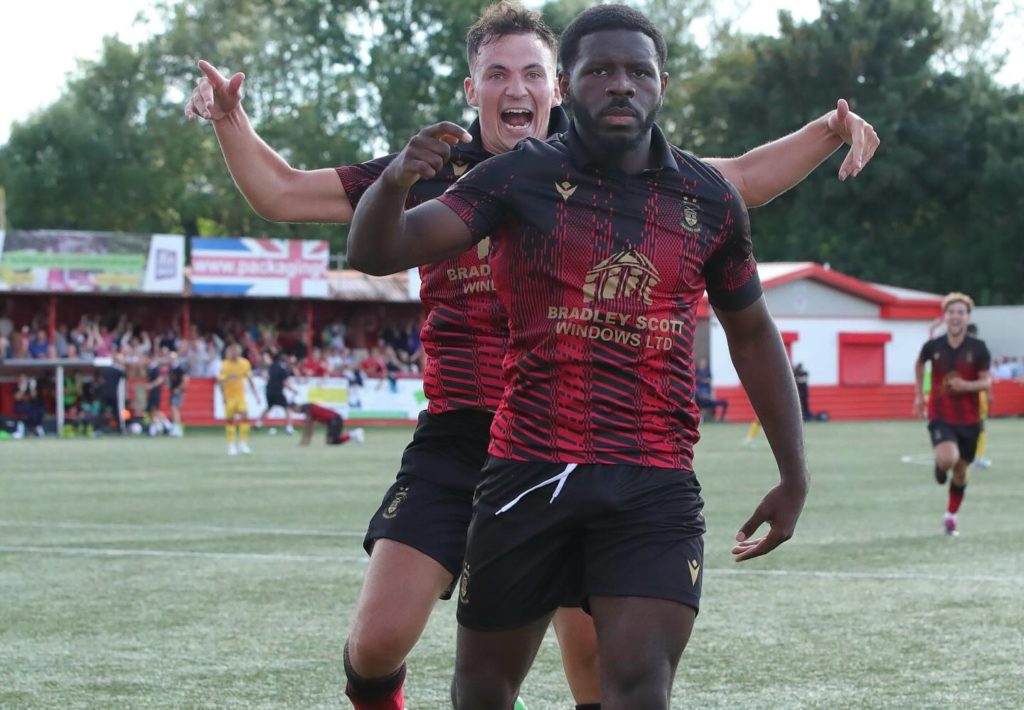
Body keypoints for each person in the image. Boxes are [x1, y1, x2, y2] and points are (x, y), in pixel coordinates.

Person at [185, 3, 872, 705]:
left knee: (601, 665)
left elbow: (740, 183)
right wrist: (232, 119)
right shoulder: (443, 173)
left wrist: (830, 126)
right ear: (472, 88)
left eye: (531, 73)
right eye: (497, 73)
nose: (516, 88)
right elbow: (285, 196)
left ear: (555, 88)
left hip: (595, 443)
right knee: (378, 642)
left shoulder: (643, 178)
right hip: (465, 437)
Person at [346, 5, 810, 708]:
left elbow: (750, 333)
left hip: (652, 481)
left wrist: (794, 472)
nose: (620, 84)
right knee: (482, 689)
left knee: (637, 687)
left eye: (637, 70)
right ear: (569, 83)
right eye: (599, 70)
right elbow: (376, 251)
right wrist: (393, 184)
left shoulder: (709, 199)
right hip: (528, 468)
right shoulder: (517, 177)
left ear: (663, 81)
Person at [913, 292, 991, 536]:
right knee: (948, 459)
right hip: (941, 413)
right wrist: (918, 395)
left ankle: (951, 516)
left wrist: (965, 386)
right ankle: (940, 464)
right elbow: (919, 363)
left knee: (960, 471)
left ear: (968, 318)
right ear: (945, 317)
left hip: (969, 419)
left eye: (961, 312)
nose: (956, 316)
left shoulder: (979, 349)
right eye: (952, 312)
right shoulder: (933, 346)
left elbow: (986, 382)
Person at [218, 343, 259, 456]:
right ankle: (231, 445)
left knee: (245, 417)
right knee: (230, 421)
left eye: (236, 351)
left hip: (240, 396)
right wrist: (223, 396)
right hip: (230, 396)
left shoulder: (244, 363)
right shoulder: (225, 364)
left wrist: (256, 395)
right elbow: (221, 381)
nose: (234, 353)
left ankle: (243, 443)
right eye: (232, 351)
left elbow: (249, 379)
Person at [964, 323, 992, 469]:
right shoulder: (977, 350)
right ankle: (975, 458)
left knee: (978, 426)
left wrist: (989, 393)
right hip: (972, 395)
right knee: (977, 427)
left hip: (975, 394)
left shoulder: (977, 350)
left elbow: (985, 374)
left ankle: (974, 457)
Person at [256, 350, 297, 434]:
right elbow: (284, 382)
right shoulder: (282, 369)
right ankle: (289, 427)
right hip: (277, 391)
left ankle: (258, 423)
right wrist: (293, 390)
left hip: (269, 391)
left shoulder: (272, 367)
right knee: (287, 409)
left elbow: (267, 377)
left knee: (269, 407)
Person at [291, 401, 365, 446]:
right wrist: (306, 441)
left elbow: (309, 427)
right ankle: (353, 434)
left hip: (335, 419)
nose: (294, 412)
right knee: (329, 442)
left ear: (296, 406)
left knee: (333, 441)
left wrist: (305, 441)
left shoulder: (307, 409)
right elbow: (309, 427)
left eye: (293, 410)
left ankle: (354, 433)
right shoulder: (306, 408)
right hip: (331, 421)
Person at [93, 353, 126, 435]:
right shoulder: (118, 371)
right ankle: (120, 430)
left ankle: (97, 429)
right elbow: (125, 375)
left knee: (101, 412)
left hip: (104, 394)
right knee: (116, 412)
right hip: (112, 395)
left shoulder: (108, 370)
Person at [694, 357, 728, 422]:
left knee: (725, 403)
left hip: (708, 397)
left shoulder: (708, 371)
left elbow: (710, 381)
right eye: (701, 363)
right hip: (700, 399)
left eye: (704, 363)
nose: (703, 364)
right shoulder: (697, 371)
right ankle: (701, 418)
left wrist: (702, 380)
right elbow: (696, 381)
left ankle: (720, 419)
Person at [167, 349, 190, 437]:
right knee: (173, 409)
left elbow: (185, 380)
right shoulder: (171, 368)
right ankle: (175, 427)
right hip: (173, 390)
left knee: (174, 408)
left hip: (178, 391)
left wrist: (179, 389)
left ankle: (177, 428)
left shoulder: (180, 368)